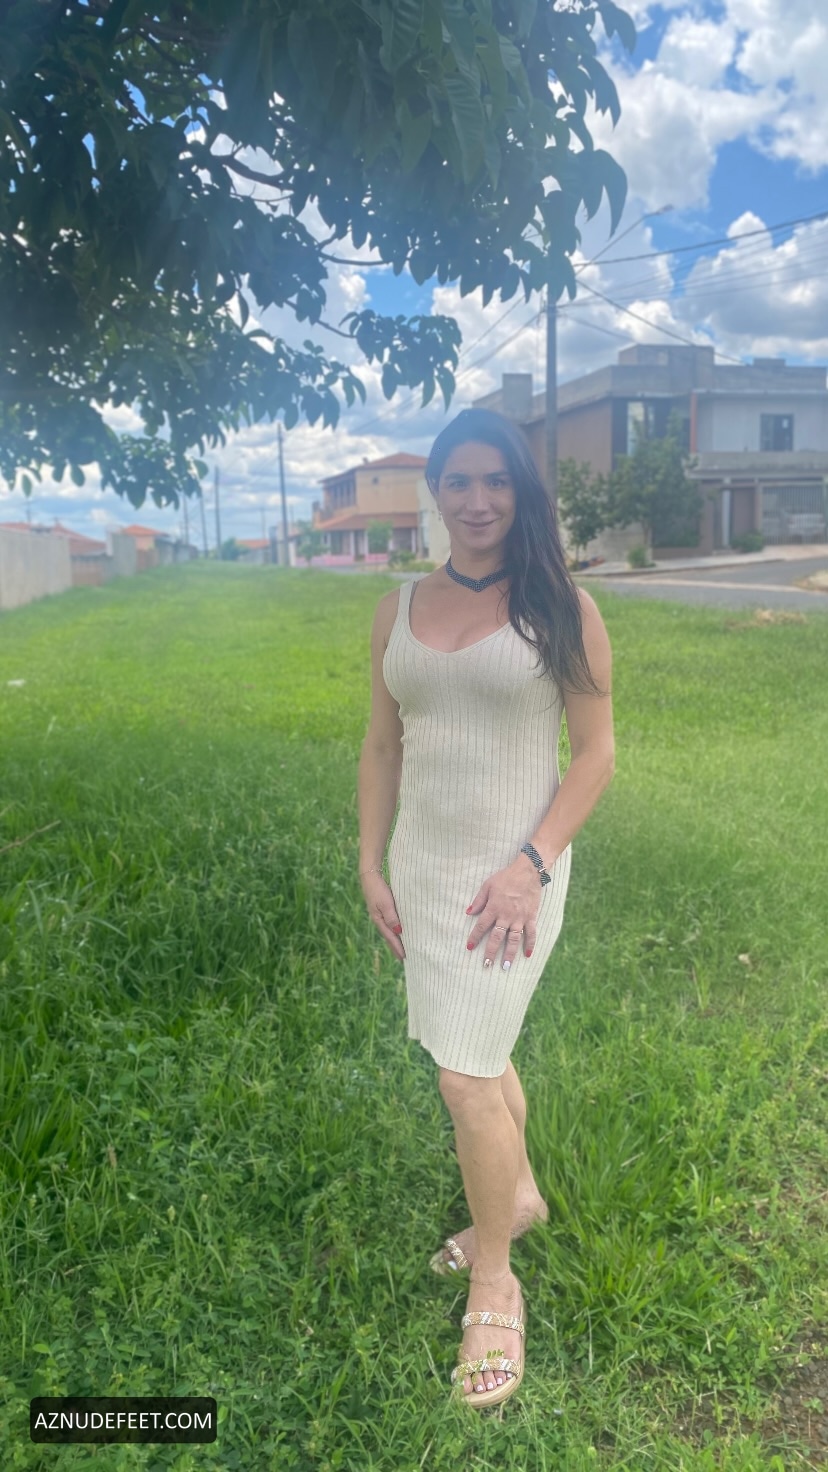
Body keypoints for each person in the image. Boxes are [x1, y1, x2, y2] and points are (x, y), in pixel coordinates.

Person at [357, 406, 615, 1409]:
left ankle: (497, 1281)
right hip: (425, 871)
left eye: (496, 480)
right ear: (437, 489)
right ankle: (521, 1195)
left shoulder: (562, 607)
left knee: (464, 1077)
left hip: (513, 880)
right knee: (478, 1051)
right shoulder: (396, 609)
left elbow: (595, 758)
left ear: (521, 490)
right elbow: (384, 744)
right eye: (459, 481)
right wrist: (369, 861)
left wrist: (530, 866)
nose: (477, 500)